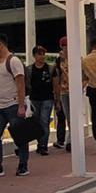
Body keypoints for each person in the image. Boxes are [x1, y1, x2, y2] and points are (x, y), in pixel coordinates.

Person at [0, 33, 30, 177]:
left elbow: (20, 84)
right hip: (0, 106)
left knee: (20, 136)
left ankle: (23, 165)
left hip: (13, 104)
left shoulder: (13, 61)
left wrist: (21, 105)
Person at [27, 46, 55, 157]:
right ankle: (39, 143)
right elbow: (27, 84)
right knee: (36, 122)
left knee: (44, 121)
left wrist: (57, 100)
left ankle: (43, 145)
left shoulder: (50, 69)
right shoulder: (29, 70)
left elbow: (55, 84)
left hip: (47, 98)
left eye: (43, 54)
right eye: (39, 54)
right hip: (34, 99)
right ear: (34, 56)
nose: (42, 56)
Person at [52, 37, 70, 152]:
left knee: (70, 117)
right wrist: (56, 97)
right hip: (63, 91)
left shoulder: (76, 59)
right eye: (65, 46)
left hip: (72, 91)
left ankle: (69, 141)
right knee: (61, 116)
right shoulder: (58, 61)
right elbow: (56, 78)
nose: (66, 48)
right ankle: (61, 140)